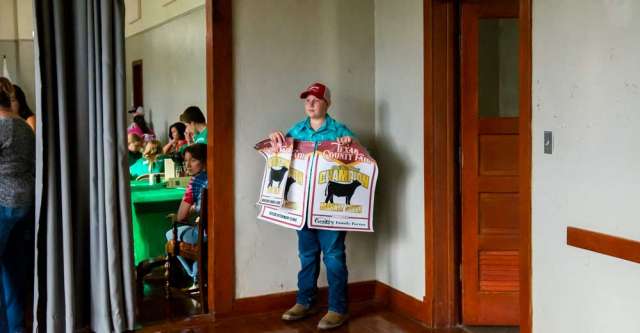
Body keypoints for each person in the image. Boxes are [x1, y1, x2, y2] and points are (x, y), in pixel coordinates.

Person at [268, 83, 354, 330]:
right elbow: (280, 156)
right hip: (302, 206)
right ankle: (305, 302)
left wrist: (350, 147)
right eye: (307, 99)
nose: (310, 103)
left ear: (327, 103)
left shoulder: (340, 131)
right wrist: (275, 140)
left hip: (330, 210)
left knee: (334, 256)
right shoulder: (296, 130)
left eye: (316, 99)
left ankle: (338, 308)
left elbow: (361, 163)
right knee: (307, 255)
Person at [0, 77, 35, 332]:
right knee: (12, 271)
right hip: (25, 203)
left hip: (3, 203)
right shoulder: (23, 126)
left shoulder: (2, 127)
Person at [165, 143, 208, 282]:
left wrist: (192, 209)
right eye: (186, 161)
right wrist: (196, 207)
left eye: (193, 160)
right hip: (222, 232)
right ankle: (197, 272)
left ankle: (193, 274)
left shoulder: (195, 181)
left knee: (169, 233)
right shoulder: (218, 177)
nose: (188, 165)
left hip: (204, 234)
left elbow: (181, 216)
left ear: (204, 161)